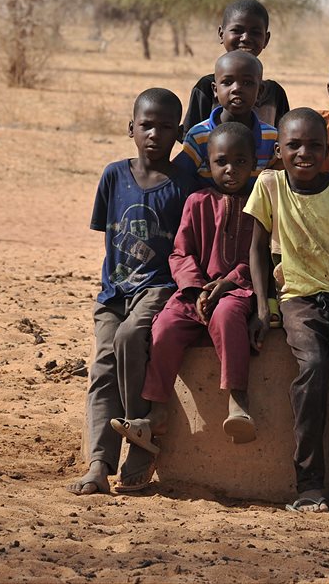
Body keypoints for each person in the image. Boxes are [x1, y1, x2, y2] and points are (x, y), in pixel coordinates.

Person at [246, 108, 329, 516]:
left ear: (328, 149)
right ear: (279, 150)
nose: (305, 153)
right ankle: (309, 482)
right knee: (314, 366)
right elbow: (257, 250)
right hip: (297, 299)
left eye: (315, 145)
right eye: (294, 146)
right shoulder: (269, 187)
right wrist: (260, 305)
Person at [67, 88, 197, 496]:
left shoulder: (184, 183)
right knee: (103, 364)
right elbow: (109, 234)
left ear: (178, 133)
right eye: (146, 125)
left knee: (129, 338)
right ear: (131, 129)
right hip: (113, 292)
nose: (154, 134)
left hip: (158, 286)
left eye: (164, 127)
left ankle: (141, 447)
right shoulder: (113, 175)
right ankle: (99, 464)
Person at [111, 122, 261, 456]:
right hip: (193, 293)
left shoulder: (259, 205)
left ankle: (238, 400)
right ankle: (157, 412)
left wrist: (228, 282)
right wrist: (194, 287)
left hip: (237, 291)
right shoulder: (197, 201)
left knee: (227, 316)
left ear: (253, 164)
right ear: (208, 164)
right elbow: (180, 252)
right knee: (163, 327)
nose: (231, 169)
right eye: (222, 161)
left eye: (240, 162)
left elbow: (263, 256)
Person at [182, 0, 290, 131]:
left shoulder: (275, 94)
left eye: (255, 32)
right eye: (237, 30)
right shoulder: (206, 88)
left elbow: (284, 141)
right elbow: (192, 139)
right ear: (221, 34)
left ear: (266, 39)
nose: (245, 38)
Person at [176, 50, 278, 181]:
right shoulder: (198, 136)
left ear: (260, 92)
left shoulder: (271, 137)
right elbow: (181, 177)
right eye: (227, 82)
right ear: (215, 90)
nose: (236, 88)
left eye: (247, 83)